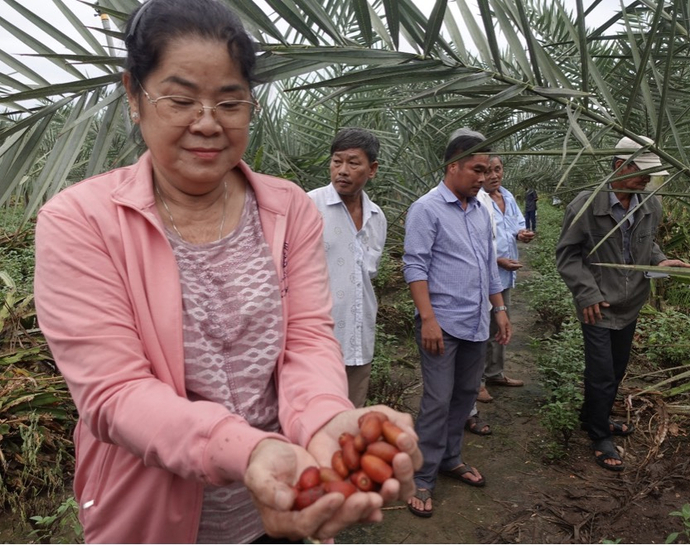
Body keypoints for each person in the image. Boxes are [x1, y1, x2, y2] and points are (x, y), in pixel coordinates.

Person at [33, 1, 422, 542]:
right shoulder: (80, 222)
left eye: (230, 101)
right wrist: (249, 450)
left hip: (288, 496)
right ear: (133, 96)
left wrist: (327, 418)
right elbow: (115, 392)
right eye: (181, 99)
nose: (208, 123)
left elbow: (307, 339)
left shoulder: (289, 210)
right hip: (152, 521)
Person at [556, 135, 690, 472]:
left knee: (615, 369)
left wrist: (659, 262)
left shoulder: (649, 205)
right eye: (641, 171)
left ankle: (592, 416)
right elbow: (568, 256)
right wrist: (587, 293)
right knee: (601, 373)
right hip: (598, 306)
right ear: (619, 166)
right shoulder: (586, 206)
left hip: (631, 304)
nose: (646, 178)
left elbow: (647, 244)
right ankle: (600, 435)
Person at [403, 128, 511, 518]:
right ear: (453, 167)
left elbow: (487, 265)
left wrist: (499, 309)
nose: (483, 178)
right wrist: (427, 319)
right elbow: (414, 265)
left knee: (465, 395)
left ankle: (450, 458)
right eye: (477, 169)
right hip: (442, 324)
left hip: (475, 320)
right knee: (437, 400)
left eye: (486, 170)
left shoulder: (481, 209)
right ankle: (421, 476)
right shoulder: (427, 208)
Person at [308, 129, 387, 408]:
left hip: (358, 338)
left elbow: (366, 277)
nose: (342, 170)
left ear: (372, 169)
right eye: (336, 161)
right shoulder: (308, 206)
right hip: (315, 343)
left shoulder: (377, 218)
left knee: (351, 422)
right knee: (313, 420)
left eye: (353, 163)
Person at [466, 156, 534, 435]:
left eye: (497, 169)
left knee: (501, 326)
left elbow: (516, 224)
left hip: (505, 275)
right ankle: (477, 381)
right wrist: (498, 261)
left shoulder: (507, 196)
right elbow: (477, 242)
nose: (493, 175)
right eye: (487, 170)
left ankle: (495, 373)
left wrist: (522, 234)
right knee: (482, 327)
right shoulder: (477, 200)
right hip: (486, 275)